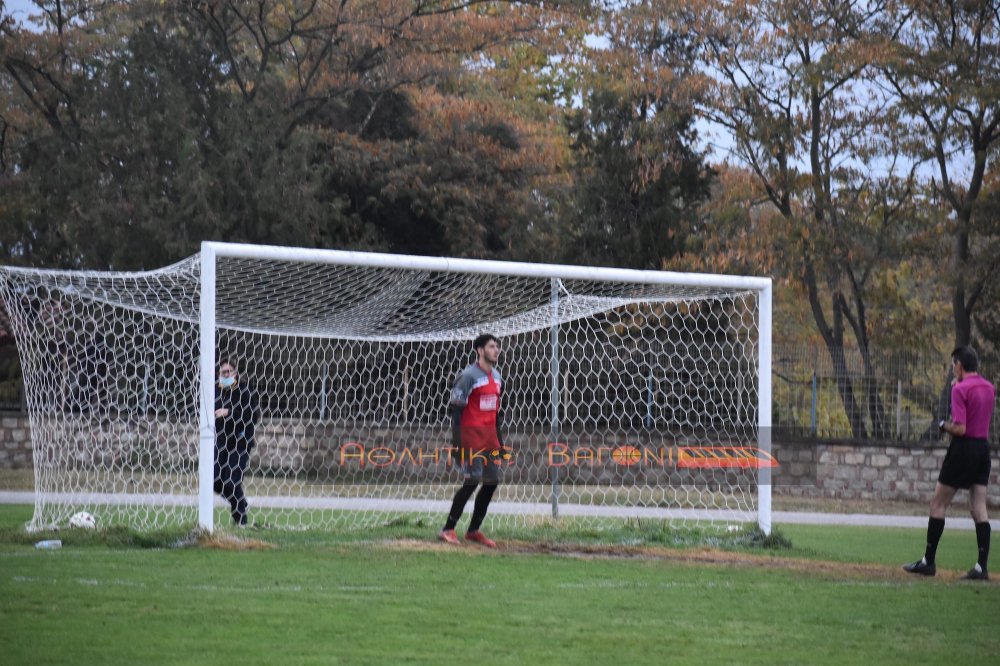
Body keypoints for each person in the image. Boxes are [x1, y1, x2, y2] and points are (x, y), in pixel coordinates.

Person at [904, 346, 996, 580]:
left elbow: (961, 428)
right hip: (983, 449)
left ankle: (928, 562)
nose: (952, 368)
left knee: (937, 504)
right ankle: (981, 567)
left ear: (959, 365)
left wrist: (942, 425)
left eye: (953, 364)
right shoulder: (989, 387)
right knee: (978, 508)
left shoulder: (959, 389)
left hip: (963, 450)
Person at [439, 333, 508, 548]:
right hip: (470, 440)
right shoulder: (468, 376)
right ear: (480, 350)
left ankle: (473, 531)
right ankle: (448, 529)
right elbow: (456, 411)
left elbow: (496, 413)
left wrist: (500, 442)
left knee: (492, 482)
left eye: (497, 346)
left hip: (489, 441)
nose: (496, 350)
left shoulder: (497, 377)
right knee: (472, 481)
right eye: (491, 346)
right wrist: (457, 444)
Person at [214, 359, 259, 526]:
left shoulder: (244, 390)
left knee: (232, 482)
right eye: (222, 372)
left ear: (235, 373)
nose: (226, 375)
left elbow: (251, 415)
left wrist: (229, 412)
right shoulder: (216, 391)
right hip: (221, 442)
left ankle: (242, 521)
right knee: (216, 481)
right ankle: (242, 504)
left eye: (229, 372)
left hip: (240, 443)